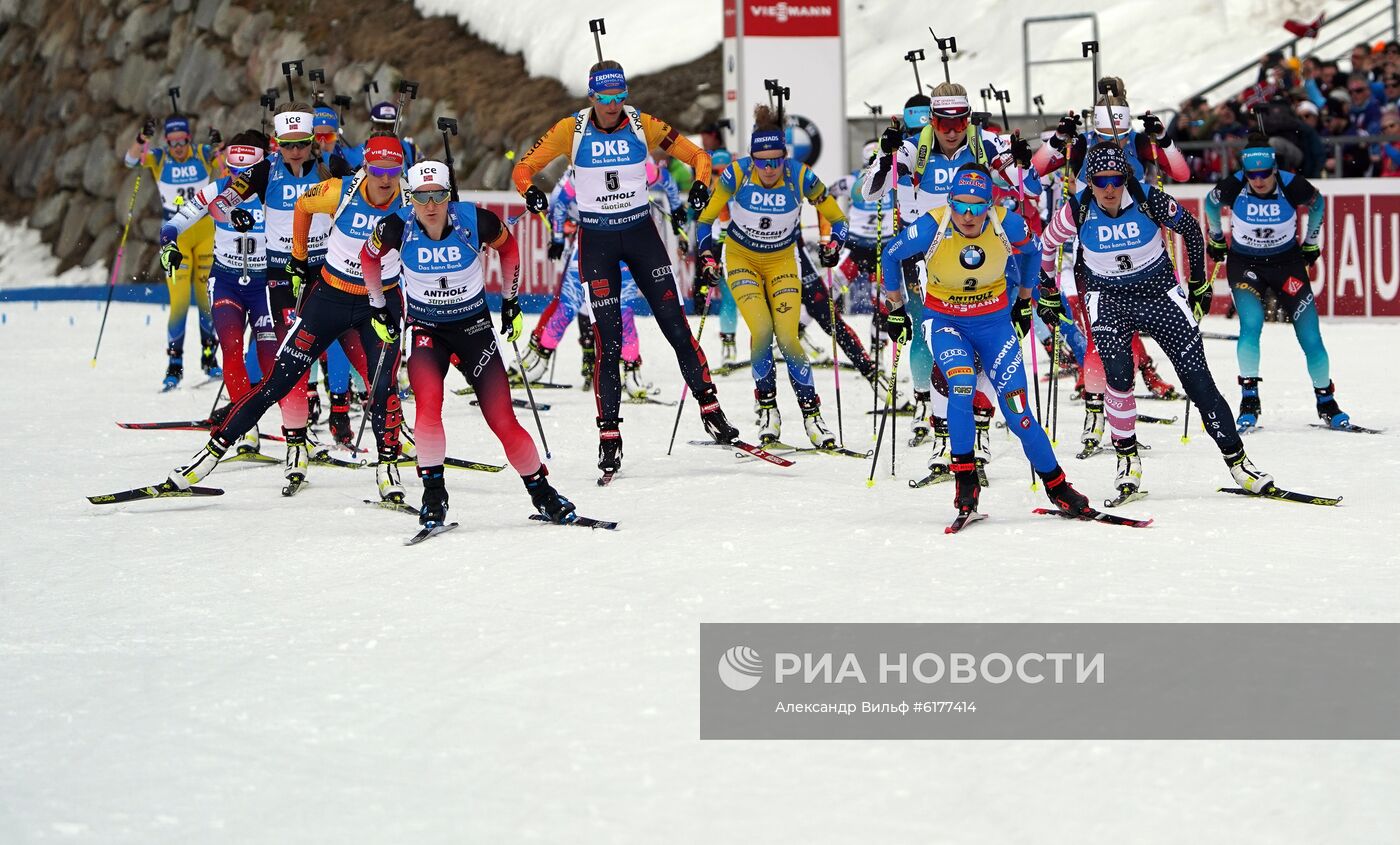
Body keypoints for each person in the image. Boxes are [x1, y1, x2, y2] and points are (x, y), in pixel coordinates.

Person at [511, 58, 739, 478]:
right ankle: (609, 435)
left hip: (641, 239)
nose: (613, 105)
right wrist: (532, 194)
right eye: (605, 97)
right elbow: (522, 169)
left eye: (620, 96)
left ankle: (711, 409)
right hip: (596, 241)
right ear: (592, 96)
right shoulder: (570, 129)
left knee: (675, 328)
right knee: (608, 342)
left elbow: (698, 156)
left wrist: (703, 183)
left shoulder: (643, 125)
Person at [165, 137, 411, 499]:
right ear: (366, 168)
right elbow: (297, 204)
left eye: (393, 172)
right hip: (328, 295)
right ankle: (208, 458)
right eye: (378, 171)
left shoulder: (413, 200)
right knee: (276, 382)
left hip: (380, 300)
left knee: (383, 384)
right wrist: (296, 255)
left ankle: (388, 466)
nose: (386, 180)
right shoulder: (338, 189)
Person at [1038, 142, 1276, 501]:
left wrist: (1198, 286)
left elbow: (1192, 231)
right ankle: (1127, 462)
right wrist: (1047, 290)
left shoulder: (1148, 198)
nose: (1108, 189)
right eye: (1100, 180)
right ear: (1089, 181)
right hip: (1108, 299)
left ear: (1125, 178)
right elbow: (1047, 245)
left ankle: (1239, 463)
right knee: (1118, 378)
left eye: (1115, 179)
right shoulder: (1077, 208)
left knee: (1199, 383)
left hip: (1159, 294)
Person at [361, 161, 577, 526]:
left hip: (474, 328)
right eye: (421, 197)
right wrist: (378, 306)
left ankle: (543, 493)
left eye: (439, 196)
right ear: (409, 196)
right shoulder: (396, 226)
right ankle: (434, 493)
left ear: (449, 195)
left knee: (502, 418)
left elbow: (509, 250)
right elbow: (368, 257)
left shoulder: (477, 221)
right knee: (428, 409)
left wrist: (510, 302)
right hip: (426, 330)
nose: (430, 206)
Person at [880, 164, 1093, 521]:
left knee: (1019, 414)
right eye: (960, 205)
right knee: (962, 385)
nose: (967, 214)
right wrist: (896, 307)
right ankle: (966, 482)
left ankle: (1059, 487)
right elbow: (891, 253)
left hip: (994, 324)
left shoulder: (1005, 223)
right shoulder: (933, 224)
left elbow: (1032, 251)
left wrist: (1025, 299)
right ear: (949, 202)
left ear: (990, 204)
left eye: (977, 206)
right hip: (944, 320)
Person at [862, 84, 1039, 452]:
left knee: (989, 346)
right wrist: (885, 155)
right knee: (939, 343)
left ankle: (981, 427)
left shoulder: (985, 142)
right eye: (944, 122)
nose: (952, 130)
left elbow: (1030, 188)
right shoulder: (916, 147)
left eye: (960, 121)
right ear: (933, 120)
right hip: (931, 254)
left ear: (969, 118)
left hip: (987, 251)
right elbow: (871, 192)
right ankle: (938, 422)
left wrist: (1021, 161)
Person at [695, 104, 849, 447]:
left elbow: (838, 219)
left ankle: (813, 416)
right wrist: (707, 256)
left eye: (776, 160)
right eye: (762, 161)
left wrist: (833, 245)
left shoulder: (800, 175)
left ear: (785, 156)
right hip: (742, 260)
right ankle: (767, 409)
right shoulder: (737, 174)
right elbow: (705, 220)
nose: (769, 168)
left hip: (781, 262)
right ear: (752, 158)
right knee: (762, 331)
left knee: (789, 337)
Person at [1204, 133, 1344, 430]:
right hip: (1247, 266)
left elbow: (1317, 203)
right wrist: (1216, 237)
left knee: (1310, 336)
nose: (1257, 180)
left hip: (1287, 265)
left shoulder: (1291, 184)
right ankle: (1249, 400)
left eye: (1264, 173)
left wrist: (1311, 241)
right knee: (1251, 325)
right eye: (1252, 174)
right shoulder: (1236, 184)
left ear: (1273, 168)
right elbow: (1210, 203)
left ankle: (1327, 403)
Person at [159, 131, 274, 456]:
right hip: (226, 282)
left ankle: (294, 427)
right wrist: (168, 244)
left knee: (270, 361)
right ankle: (245, 427)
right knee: (232, 350)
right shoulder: (219, 189)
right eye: (232, 171)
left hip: (264, 285)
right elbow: (176, 222)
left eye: (246, 173)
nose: (237, 180)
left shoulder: (274, 193)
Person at [124, 113, 221, 389]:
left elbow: (227, 169)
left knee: (206, 300)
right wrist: (141, 138)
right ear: (167, 141)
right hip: (175, 237)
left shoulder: (202, 153)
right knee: (179, 302)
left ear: (189, 138)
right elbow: (130, 161)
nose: (178, 148)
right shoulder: (159, 157)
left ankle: (209, 358)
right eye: (173, 142)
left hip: (204, 233)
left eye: (182, 141)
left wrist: (220, 146)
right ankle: (174, 366)